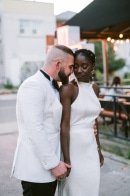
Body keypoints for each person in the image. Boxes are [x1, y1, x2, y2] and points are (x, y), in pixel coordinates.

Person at [11, 44, 74, 196]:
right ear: (58, 64)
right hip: (36, 170)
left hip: (48, 170)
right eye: (71, 67)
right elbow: (35, 129)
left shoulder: (52, 86)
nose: (72, 72)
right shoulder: (33, 86)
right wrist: (54, 164)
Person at [59, 49, 104, 196]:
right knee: (74, 190)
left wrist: (99, 150)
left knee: (91, 188)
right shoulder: (68, 89)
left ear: (93, 67)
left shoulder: (95, 88)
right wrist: (66, 160)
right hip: (73, 149)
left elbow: (94, 122)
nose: (79, 70)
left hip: (90, 148)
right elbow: (64, 126)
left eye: (84, 66)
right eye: (75, 66)